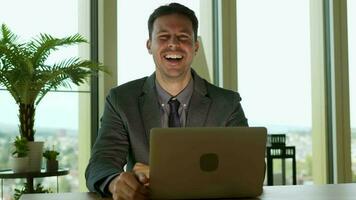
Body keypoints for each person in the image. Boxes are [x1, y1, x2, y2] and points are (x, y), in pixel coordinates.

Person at [85, 2, 248, 200]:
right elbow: (101, 163)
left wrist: (165, 174)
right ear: (149, 45)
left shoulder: (227, 103)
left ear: (195, 46)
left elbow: (247, 167)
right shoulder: (121, 100)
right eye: (163, 37)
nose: (173, 44)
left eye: (183, 37)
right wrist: (115, 183)